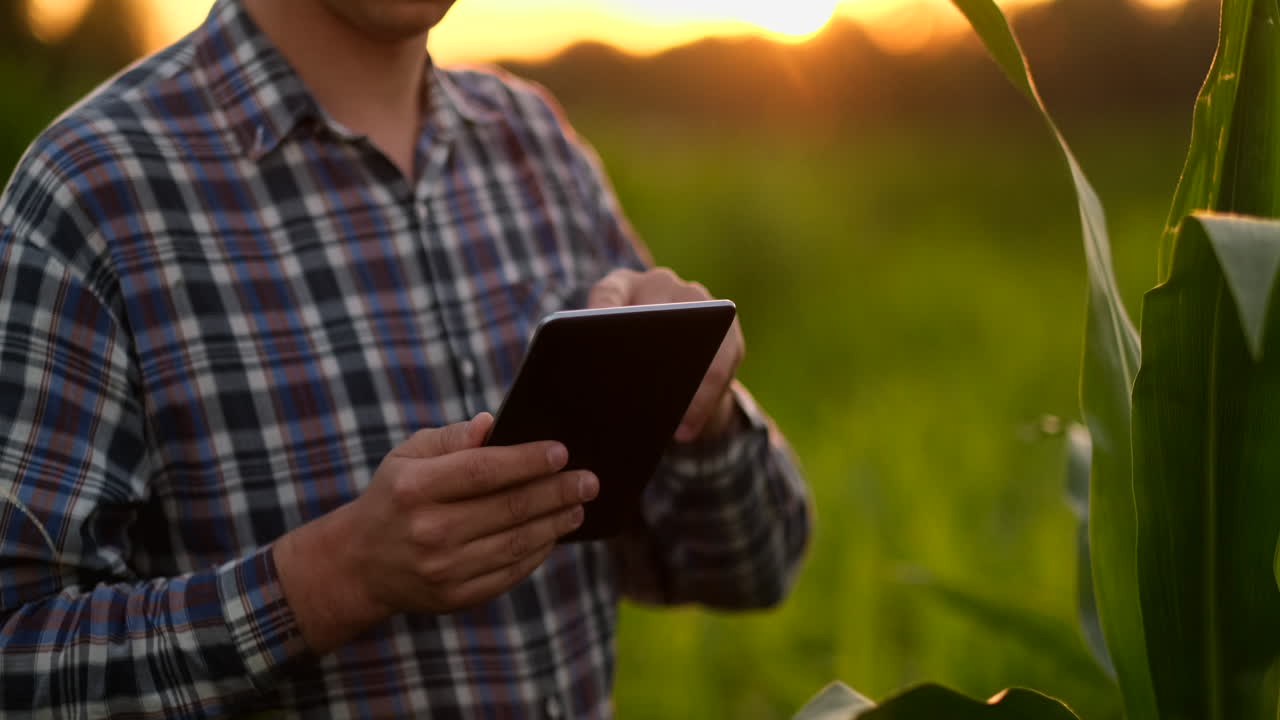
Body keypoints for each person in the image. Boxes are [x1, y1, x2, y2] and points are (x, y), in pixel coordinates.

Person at [0, 0, 812, 716]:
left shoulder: (536, 146)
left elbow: (759, 563)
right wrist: (335, 579)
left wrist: (704, 412)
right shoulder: (91, 193)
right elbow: (16, 658)